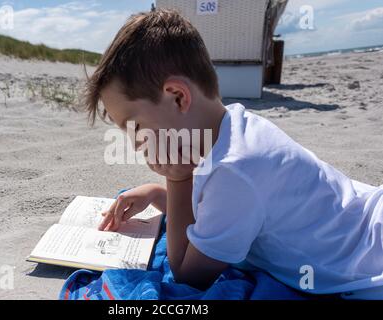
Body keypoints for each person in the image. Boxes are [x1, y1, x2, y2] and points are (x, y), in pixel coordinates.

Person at [81, 9, 383, 298]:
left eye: (135, 126)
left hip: (370, 264)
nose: (135, 144)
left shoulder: (234, 170)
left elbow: (189, 276)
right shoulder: (235, 126)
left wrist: (178, 179)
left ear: (177, 97)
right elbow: (217, 212)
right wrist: (157, 195)